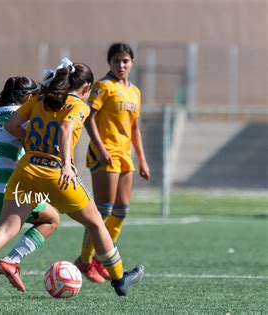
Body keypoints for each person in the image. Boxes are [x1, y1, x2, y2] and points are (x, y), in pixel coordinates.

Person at [0, 58, 144, 299]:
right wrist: (66, 164)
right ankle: (119, 279)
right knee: (95, 222)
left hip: (26, 171)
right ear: (85, 88)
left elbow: (12, 125)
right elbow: (65, 129)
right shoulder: (78, 106)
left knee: (4, 228)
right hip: (56, 173)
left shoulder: (38, 99)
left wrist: (33, 141)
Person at [0, 76, 60, 297]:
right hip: (3, 189)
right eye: (34, 96)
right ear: (27, 97)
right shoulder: (22, 118)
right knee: (51, 220)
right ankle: (12, 260)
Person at [75, 43, 151, 283]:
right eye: (116, 60)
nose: (121, 65)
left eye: (125, 61)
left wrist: (142, 159)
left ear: (132, 63)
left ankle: (100, 258)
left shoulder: (134, 92)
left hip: (124, 156)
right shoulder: (103, 87)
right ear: (109, 62)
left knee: (121, 211)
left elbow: (135, 127)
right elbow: (89, 119)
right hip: (104, 154)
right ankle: (84, 261)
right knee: (102, 211)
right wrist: (100, 147)